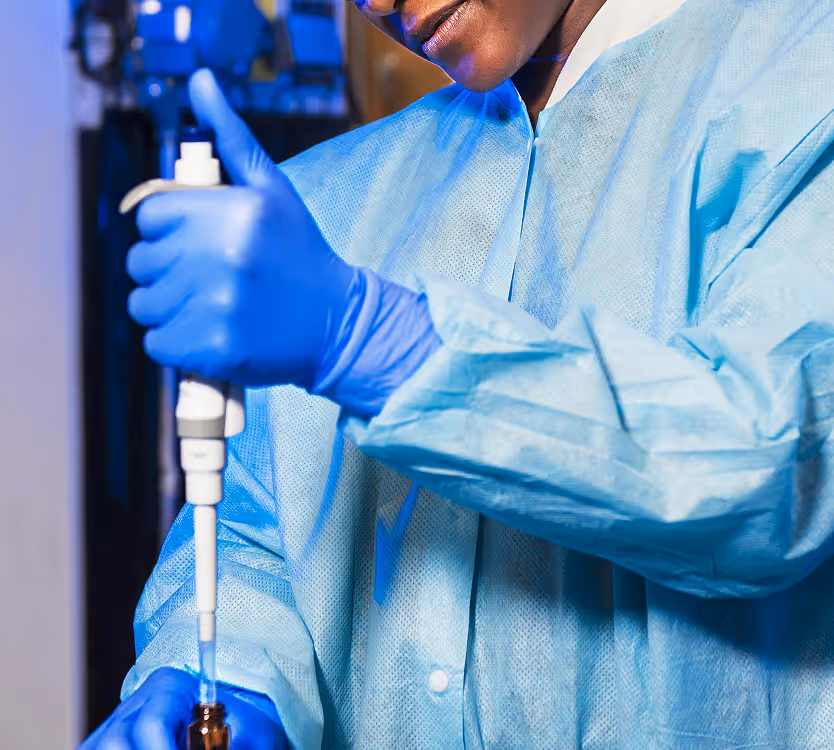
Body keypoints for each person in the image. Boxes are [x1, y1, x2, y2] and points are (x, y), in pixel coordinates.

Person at [81, 0, 834, 747]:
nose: (378, 5)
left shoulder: (801, 79)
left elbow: (770, 467)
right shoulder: (330, 199)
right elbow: (261, 531)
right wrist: (231, 678)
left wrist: (374, 343)